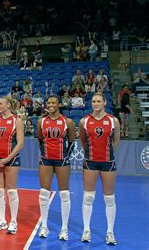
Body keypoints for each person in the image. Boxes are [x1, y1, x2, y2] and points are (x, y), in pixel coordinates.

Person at [79, 93, 120, 245]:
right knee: (88, 197)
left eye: (98, 101)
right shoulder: (84, 121)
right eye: (93, 101)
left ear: (105, 102)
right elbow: (83, 141)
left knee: (109, 198)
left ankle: (110, 232)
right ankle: (86, 230)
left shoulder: (113, 120)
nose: (95, 104)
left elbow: (116, 141)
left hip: (108, 162)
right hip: (90, 162)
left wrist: (106, 154)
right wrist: (91, 154)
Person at [37, 96, 75, 240]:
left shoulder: (68, 122)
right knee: (43, 193)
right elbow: (40, 139)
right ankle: (44, 226)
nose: (51, 105)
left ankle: (64, 229)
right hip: (46, 160)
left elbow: (72, 141)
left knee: (64, 194)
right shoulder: (41, 121)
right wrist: (45, 154)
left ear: (59, 104)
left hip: (62, 161)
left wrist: (65, 156)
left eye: (53, 102)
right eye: (48, 103)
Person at [0, 96, 24, 235]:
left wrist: (8, 158)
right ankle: (2, 219)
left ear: (8, 105)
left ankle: (13, 221)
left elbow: (20, 143)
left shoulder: (17, 121)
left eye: (1, 103)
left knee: (11, 190)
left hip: (11, 159)